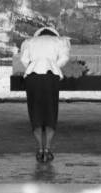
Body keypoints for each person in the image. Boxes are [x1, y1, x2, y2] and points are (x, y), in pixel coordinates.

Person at [20, 27, 70, 163]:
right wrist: (53, 65)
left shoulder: (29, 41)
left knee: (35, 111)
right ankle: (47, 148)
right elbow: (64, 58)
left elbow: (24, 60)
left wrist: (34, 65)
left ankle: (40, 148)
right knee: (50, 111)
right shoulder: (60, 41)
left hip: (33, 77)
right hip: (50, 76)